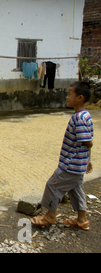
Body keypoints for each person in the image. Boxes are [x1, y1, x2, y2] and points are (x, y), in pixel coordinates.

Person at [31, 81, 93, 231]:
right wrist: (88, 160)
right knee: (75, 189)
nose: (67, 96)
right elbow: (85, 142)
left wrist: (88, 152)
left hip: (70, 165)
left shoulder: (79, 118)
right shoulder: (86, 115)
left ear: (80, 98)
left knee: (52, 185)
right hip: (79, 164)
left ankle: (50, 216)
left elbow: (87, 141)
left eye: (69, 94)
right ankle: (81, 219)